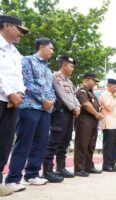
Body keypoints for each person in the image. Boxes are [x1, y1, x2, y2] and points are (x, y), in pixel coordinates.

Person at [5, 38, 55, 191]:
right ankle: (13, 178)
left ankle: (32, 174)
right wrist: (44, 99)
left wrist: (51, 101)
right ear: (41, 47)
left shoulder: (48, 69)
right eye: (51, 48)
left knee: (41, 143)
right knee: (24, 142)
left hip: (45, 110)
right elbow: (26, 83)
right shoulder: (27, 60)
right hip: (30, 107)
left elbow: (51, 89)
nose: (52, 52)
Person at [0, 15, 28, 196]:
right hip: (4, 97)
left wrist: (19, 94)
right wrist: (10, 92)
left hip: (11, 104)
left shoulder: (15, 53)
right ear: (6, 26)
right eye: (20, 30)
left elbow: (19, 78)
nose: (22, 35)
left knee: (5, 143)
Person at [42, 56, 80, 182]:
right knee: (54, 142)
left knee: (65, 141)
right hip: (60, 113)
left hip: (69, 114)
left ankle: (61, 168)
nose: (73, 69)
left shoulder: (69, 81)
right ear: (64, 65)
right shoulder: (56, 77)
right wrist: (74, 108)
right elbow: (62, 94)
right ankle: (47, 170)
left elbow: (73, 96)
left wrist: (78, 106)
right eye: (71, 66)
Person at [74, 73, 103, 177]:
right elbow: (85, 104)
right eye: (94, 81)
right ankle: (78, 169)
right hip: (84, 121)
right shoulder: (81, 91)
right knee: (82, 144)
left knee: (91, 145)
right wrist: (96, 114)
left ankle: (88, 166)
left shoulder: (92, 93)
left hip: (93, 121)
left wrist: (98, 113)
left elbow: (98, 106)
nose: (95, 83)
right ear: (87, 79)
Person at [99, 78, 116, 172]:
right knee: (108, 145)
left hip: (114, 124)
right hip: (108, 124)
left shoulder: (113, 96)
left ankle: (112, 164)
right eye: (115, 87)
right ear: (109, 86)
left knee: (114, 145)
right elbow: (109, 107)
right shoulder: (104, 95)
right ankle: (106, 165)